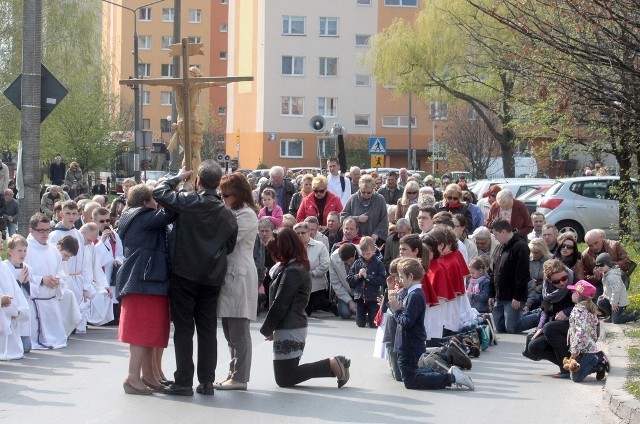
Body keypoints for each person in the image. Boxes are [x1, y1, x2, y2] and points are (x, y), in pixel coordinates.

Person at [153, 161, 238, 396]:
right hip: (211, 276)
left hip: (184, 273)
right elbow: (229, 247)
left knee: (183, 329)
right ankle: (207, 381)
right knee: (207, 329)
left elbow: (159, 192)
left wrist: (179, 177)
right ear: (218, 183)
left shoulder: (189, 201)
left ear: (199, 181)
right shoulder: (227, 214)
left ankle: (183, 381)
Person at [260, 227, 351, 388]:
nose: (273, 256)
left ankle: (333, 364)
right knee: (285, 377)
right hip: (290, 325)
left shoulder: (292, 271)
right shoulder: (293, 267)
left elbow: (281, 303)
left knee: (285, 378)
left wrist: (267, 328)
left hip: (290, 325)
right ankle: (334, 364)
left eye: (275, 252)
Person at [116, 184, 174, 395]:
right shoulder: (141, 216)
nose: (157, 203)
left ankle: (148, 375)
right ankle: (133, 377)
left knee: (150, 331)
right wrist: (172, 183)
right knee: (141, 332)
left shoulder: (135, 215)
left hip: (147, 279)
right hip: (143, 280)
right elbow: (172, 211)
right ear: (145, 202)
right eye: (154, 199)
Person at [388, 257, 474, 391]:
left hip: (410, 343)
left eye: (401, 277)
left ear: (410, 277)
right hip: (407, 342)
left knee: (410, 380)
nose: (399, 280)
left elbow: (407, 322)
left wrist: (397, 311)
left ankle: (450, 377)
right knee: (410, 373)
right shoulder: (411, 293)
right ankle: (443, 371)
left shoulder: (415, 295)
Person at [215, 172, 260, 391]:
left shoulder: (247, 215)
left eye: (226, 194)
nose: (223, 198)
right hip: (230, 275)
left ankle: (240, 377)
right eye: (220, 194)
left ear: (239, 194)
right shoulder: (232, 211)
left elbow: (226, 238)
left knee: (239, 332)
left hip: (239, 275)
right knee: (229, 331)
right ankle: (234, 373)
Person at [25, 214, 81, 348]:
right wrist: (41, 280)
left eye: (47, 230)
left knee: (55, 340)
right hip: (34, 300)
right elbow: (20, 274)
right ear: (31, 230)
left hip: (50, 299)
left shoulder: (53, 250)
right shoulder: (25, 249)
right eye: (41, 230)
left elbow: (61, 272)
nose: (45, 233)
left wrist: (58, 280)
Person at [524, 259, 577, 378]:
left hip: (577, 325)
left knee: (549, 328)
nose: (562, 283)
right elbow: (545, 310)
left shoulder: (577, 283)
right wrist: (539, 328)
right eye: (557, 281)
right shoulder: (547, 290)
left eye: (564, 278)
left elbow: (588, 305)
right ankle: (571, 365)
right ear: (549, 280)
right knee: (533, 346)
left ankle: (566, 369)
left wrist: (567, 311)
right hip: (556, 325)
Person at [489, 218, 530, 333]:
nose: (495, 238)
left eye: (496, 234)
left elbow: (522, 273)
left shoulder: (520, 247)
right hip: (500, 294)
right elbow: (494, 272)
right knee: (500, 327)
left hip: (513, 296)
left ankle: (537, 317)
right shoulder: (499, 248)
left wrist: (518, 296)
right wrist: (491, 294)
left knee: (512, 328)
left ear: (503, 232)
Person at [566, 280, 609, 382]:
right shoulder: (586, 308)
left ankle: (598, 363)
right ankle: (595, 360)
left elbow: (581, 331)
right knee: (575, 372)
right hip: (585, 347)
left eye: (573, 292)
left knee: (576, 377)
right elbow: (594, 326)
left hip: (587, 349)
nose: (571, 294)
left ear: (577, 295)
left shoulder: (579, 311)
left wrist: (575, 350)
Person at [347, 236, 386, 328]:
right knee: (360, 324)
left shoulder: (379, 264)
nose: (365, 256)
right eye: (363, 253)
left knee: (374, 324)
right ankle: (364, 318)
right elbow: (349, 279)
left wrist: (367, 277)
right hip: (360, 297)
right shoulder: (357, 263)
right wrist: (358, 276)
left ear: (373, 251)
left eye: (368, 253)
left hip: (373, 297)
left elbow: (382, 280)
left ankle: (371, 317)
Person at [294, 222, 332, 316]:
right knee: (305, 311)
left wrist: (312, 273)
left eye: (303, 233)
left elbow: (325, 264)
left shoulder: (320, 246)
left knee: (318, 304)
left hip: (316, 284)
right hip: (298, 285)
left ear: (309, 233)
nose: (300, 235)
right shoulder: (291, 248)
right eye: (297, 233)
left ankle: (332, 306)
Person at [582, 229, 632, 297]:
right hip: (599, 283)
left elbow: (627, 263)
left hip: (618, 278)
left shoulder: (615, 245)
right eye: (590, 245)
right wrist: (596, 277)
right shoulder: (585, 255)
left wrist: (608, 266)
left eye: (596, 243)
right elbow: (584, 277)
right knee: (599, 302)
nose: (594, 247)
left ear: (601, 238)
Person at [341, 175, 389, 245]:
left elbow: (384, 219)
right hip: (355, 240)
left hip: (374, 240)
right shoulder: (353, 199)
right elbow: (343, 217)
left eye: (369, 192)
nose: (366, 194)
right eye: (363, 192)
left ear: (373, 189)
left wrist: (377, 233)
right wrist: (357, 218)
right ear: (359, 188)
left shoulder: (380, 199)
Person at [595, 252, 639, 324]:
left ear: (608, 264)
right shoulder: (605, 273)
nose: (599, 268)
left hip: (619, 301)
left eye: (601, 265)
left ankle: (633, 315)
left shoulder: (612, 276)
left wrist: (614, 303)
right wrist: (604, 294)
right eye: (597, 266)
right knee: (600, 302)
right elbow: (606, 286)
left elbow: (616, 290)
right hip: (612, 299)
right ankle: (612, 315)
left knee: (616, 321)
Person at [330, 243, 357, 320]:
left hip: (360, 292)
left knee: (359, 313)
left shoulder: (363, 254)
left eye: (351, 260)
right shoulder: (333, 258)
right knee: (345, 313)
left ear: (355, 253)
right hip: (346, 291)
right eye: (345, 262)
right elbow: (336, 283)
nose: (348, 263)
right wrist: (349, 301)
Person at [527, 238, 552, 312]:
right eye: (533, 252)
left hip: (543, 289)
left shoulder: (550, 260)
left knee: (536, 298)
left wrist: (538, 287)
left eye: (537, 252)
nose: (534, 255)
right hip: (529, 287)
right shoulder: (527, 259)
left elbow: (550, 280)